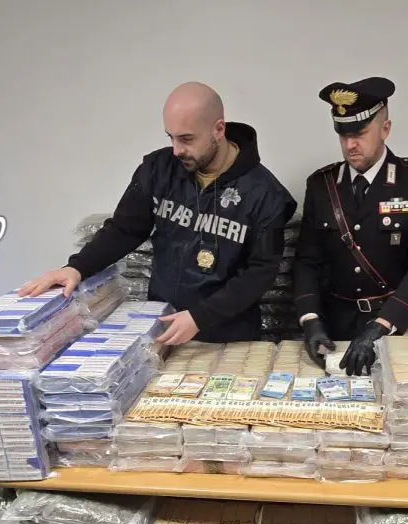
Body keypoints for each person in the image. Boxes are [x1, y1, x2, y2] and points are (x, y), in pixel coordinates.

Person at [19, 82, 296, 344]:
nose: (176, 150)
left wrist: (201, 317)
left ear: (218, 129)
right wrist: (77, 267)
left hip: (227, 336)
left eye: (186, 139)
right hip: (162, 327)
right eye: (171, 137)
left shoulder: (265, 194)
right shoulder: (159, 170)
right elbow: (124, 229)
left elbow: (260, 273)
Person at [293, 77, 408, 375]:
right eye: (343, 135)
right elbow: (307, 261)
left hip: (394, 324)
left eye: (360, 133)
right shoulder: (322, 185)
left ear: (385, 129)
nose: (350, 145)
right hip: (335, 328)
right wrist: (310, 319)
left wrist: (383, 325)